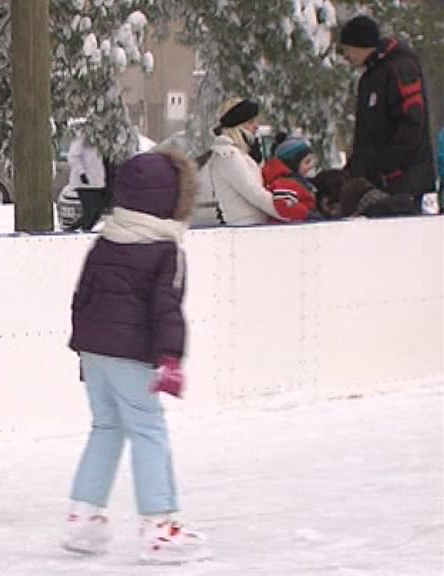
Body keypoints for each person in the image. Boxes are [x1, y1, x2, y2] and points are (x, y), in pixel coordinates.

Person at [64, 149, 209, 564]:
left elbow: (83, 297)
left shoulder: (106, 240)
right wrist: (171, 358)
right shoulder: (166, 250)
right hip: (131, 355)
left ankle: (83, 516)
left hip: (95, 352)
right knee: (148, 429)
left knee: (106, 427)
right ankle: (159, 526)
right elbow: (167, 307)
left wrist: (85, 348)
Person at [338, 14, 435, 214]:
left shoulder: (400, 68)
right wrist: (356, 169)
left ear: (361, 44)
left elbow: (412, 123)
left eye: (346, 49)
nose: (345, 56)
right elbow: (368, 134)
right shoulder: (370, 77)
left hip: (402, 181)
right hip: (376, 182)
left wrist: (385, 166)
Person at [199, 97, 285, 225]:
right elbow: (255, 193)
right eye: (250, 122)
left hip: (254, 228)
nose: (256, 126)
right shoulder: (228, 156)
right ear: (236, 125)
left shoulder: (242, 155)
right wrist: (286, 212)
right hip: (244, 230)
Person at [261, 137, 319, 222]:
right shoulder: (286, 183)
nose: (310, 166)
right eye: (306, 162)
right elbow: (285, 207)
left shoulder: (296, 181)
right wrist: (307, 214)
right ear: (293, 163)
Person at [66, 131, 109, 231]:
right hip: (84, 183)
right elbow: (73, 156)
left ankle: (83, 230)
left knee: (97, 212)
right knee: (89, 211)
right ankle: (74, 230)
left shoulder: (101, 140)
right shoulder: (81, 138)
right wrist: (81, 173)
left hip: (97, 182)